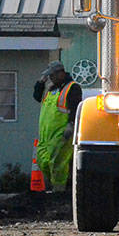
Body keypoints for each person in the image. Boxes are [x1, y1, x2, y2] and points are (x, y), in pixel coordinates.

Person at [33, 60, 82, 191]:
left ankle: (59, 190)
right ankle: (54, 187)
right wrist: (41, 81)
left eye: (52, 75)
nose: (51, 78)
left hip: (61, 133)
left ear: (61, 73)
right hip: (46, 134)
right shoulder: (50, 89)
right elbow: (37, 97)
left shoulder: (72, 88)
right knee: (42, 161)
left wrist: (71, 125)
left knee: (58, 163)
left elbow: (75, 107)